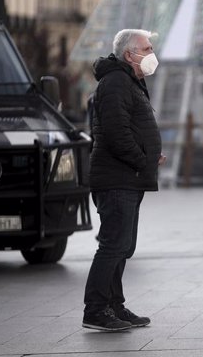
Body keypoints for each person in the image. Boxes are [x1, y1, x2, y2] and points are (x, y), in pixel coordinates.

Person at [83, 29, 166, 331]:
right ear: (130, 54)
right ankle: (95, 309)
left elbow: (132, 127)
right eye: (147, 48)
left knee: (123, 245)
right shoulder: (117, 82)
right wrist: (143, 158)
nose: (151, 53)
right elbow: (117, 133)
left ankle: (114, 306)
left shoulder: (129, 81)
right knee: (113, 245)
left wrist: (150, 154)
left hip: (128, 176)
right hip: (117, 178)